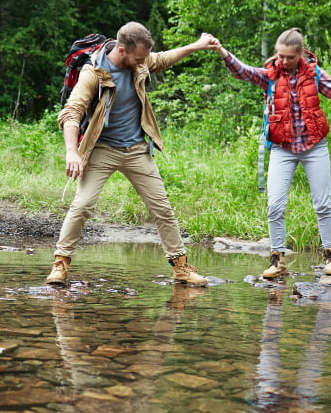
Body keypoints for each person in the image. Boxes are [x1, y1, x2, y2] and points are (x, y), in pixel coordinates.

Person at [211, 28, 331, 278]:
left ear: (300, 54)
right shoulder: (270, 76)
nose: (283, 61)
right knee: (275, 206)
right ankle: (277, 262)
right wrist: (223, 52)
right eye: (280, 56)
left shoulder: (315, 75)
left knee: (323, 204)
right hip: (282, 148)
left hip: (314, 147)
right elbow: (243, 72)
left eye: (289, 57)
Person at [47, 22, 218, 288]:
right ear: (122, 49)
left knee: (162, 209)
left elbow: (161, 59)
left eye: (144, 59)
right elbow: (72, 112)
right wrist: (72, 152)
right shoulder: (94, 72)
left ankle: (181, 267)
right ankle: (61, 263)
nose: (143, 63)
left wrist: (196, 45)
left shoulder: (138, 60)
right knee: (82, 206)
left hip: (137, 149)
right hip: (102, 148)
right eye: (138, 58)